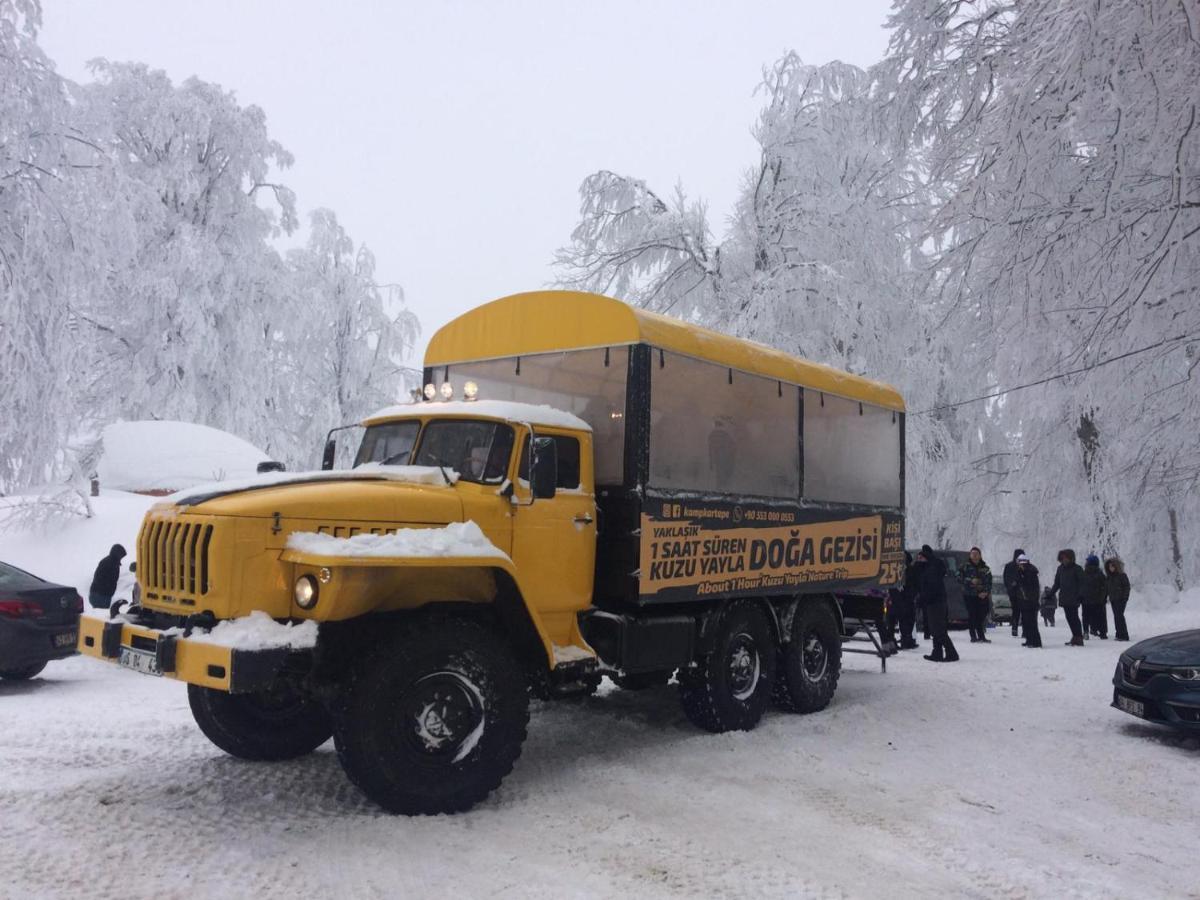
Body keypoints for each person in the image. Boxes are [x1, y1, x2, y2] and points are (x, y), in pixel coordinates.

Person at [916, 545, 959, 662]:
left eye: (920, 558)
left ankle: (951, 653)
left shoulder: (930, 570)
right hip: (936, 602)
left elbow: (930, 588)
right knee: (936, 629)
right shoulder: (931, 568)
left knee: (938, 630)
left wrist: (922, 599)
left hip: (935, 602)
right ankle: (937, 652)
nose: (918, 560)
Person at [1048, 549, 1085, 646]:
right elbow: (1057, 584)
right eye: (1063, 558)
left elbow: (1082, 583)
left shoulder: (1077, 569)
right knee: (1069, 617)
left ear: (1071, 558)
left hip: (1074, 597)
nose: (1064, 560)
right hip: (1064, 597)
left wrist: (1080, 595)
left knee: (1074, 617)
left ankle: (1078, 637)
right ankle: (1075, 636)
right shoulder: (1060, 569)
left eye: (1066, 558)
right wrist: (1051, 594)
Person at [959, 547, 993, 643]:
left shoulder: (985, 568)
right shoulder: (964, 566)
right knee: (972, 615)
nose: (974, 555)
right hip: (969, 595)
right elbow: (958, 577)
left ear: (980, 555)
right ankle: (973, 636)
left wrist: (985, 592)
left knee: (982, 614)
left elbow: (989, 581)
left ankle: (981, 635)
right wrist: (970, 581)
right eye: (972, 553)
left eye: (976, 553)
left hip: (982, 595)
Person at [1012, 554, 1042, 647]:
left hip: (1030, 601)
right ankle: (1029, 640)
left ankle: (1036, 642)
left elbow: (1028, 587)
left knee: (1031, 622)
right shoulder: (1022, 572)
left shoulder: (1030, 572)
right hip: (1023, 600)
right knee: (1025, 622)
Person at [893, 551, 919, 650]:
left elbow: (915, 583)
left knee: (910, 619)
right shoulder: (897, 569)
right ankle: (905, 639)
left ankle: (908, 639)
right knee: (903, 620)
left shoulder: (911, 570)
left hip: (909, 597)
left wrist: (912, 594)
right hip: (900, 598)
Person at [88, 543, 126, 610]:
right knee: (100, 616)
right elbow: (103, 579)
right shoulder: (111, 563)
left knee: (99, 615)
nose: (121, 558)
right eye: (121, 556)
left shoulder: (111, 562)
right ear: (117, 554)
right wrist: (108, 590)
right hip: (101, 595)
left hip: (100, 594)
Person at [1081, 554, 1108, 639]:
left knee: (1085, 616)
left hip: (1086, 600)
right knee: (1101, 616)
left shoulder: (1084, 573)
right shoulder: (1100, 574)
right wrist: (1103, 597)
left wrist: (1081, 596)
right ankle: (1103, 633)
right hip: (1098, 600)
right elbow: (1105, 587)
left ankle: (1086, 632)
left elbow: (1080, 586)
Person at [1105, 557, 1131, 641]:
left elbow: (1126, 587)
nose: (1111, 568)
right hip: (1113, 599)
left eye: (1112, 566)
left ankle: (1124, 634)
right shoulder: (1109, 577)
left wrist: (1125, 598)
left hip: (1120, 599)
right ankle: (1119, 633)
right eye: (1109, 567)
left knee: (1119, 616)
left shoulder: (1122, 576)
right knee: (1117, 616)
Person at [1002, 549, 1025, 638]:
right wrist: (1011, 585)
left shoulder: (1024, 566)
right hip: (1016, 592)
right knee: (1018, 611)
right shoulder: (1009, 566)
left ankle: (1020, 629)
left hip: (1021, 593)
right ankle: (1017, 628)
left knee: (1019, 611)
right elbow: (1006, 579)